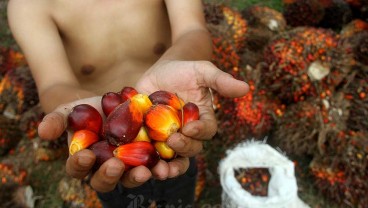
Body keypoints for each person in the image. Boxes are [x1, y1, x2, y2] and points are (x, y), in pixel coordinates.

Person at [8, 0, 249, 207]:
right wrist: (80, 108)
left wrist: (173, 65)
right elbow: (53, 85)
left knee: (179, 192)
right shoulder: (30, 6)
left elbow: (193, 32)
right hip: (107, 150)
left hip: (173, 135)